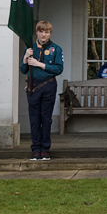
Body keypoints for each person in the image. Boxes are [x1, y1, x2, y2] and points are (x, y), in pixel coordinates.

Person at [19, 21, 64, 161]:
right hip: (33, 86)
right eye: (41, 31)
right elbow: (23, 70)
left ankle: (45, 149)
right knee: (34, 118)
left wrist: (39, 64)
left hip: (48, 85)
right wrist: (26, 58)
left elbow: (59, 69)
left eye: (46, 32)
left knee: (46, 118)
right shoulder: (30, 48)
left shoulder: (56, 49)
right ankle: (35, 148)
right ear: (37, 32)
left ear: (50, 33)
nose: (43, 34)